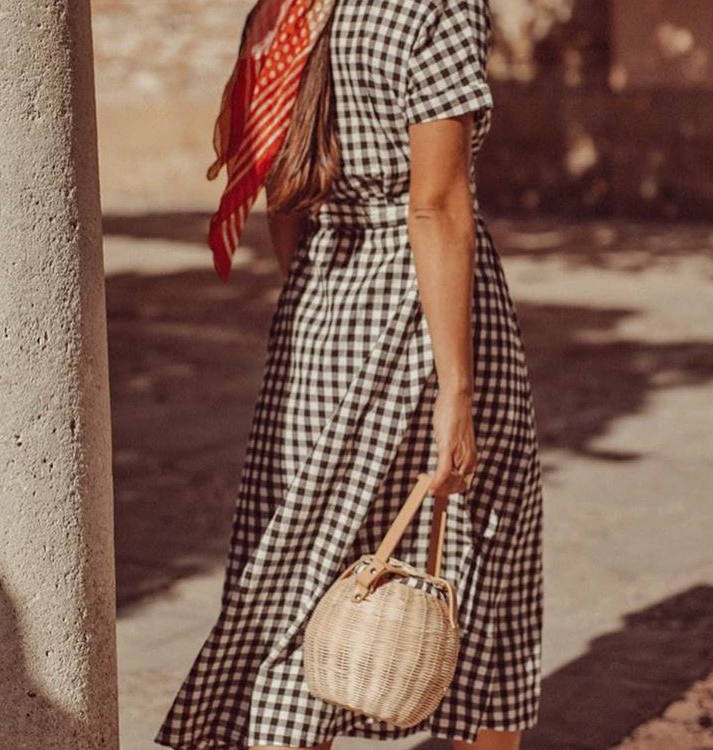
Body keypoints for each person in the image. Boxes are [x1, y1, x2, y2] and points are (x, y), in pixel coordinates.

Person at [155, 0, 544, 748]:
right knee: (484, 553)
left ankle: (274, 725)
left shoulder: (282, 9)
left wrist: (325, 300)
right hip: (425, 303)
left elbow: (283, 196)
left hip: (320, 304)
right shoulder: (434, 5)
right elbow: (436, 206)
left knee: (302, 561)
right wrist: (457, 390)